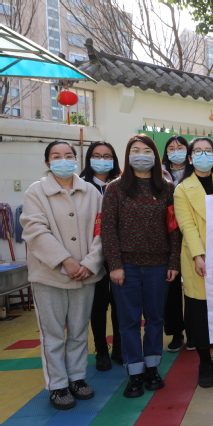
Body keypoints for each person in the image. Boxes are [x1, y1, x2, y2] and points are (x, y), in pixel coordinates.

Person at [21, 141, 105, 410]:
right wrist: (65, 261)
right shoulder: (36, 192)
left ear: (76, 160)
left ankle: (77, 378)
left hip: (85, 275)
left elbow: (102, 231)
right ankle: (57, 384)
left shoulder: (91, 192)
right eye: (56, 156)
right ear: (48, 163)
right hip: (49, 275)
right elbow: (35, 230)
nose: (63, 160)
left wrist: (90, 263)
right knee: (53, 334)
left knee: (79, 331)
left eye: (68, 155)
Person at [101, 134, 182, 398]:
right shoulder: (115, 188)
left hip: (159, 266)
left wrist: (173, 261)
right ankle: (134, 372)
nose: (141, 155)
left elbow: (174, 228)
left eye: (147, 151)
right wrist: (115, 264)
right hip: (126, 267)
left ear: (155, 156)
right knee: (129, 321)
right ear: (127, 155)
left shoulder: (167, 188)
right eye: (135, 150)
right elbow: (108, 230)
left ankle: (152, 368)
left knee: (156, 318)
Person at [173, 137, 213, 388]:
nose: (203, 155)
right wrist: (198, 256)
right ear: (190, 158)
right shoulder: (182, 189)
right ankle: (204, 361)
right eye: (197, 151)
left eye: (208, 151)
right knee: (199, 313)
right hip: (196, 259)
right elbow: (187, 225)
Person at [79, 141, 123, 371]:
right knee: (98, 305)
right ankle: (101, 350)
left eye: (107, 156)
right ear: (89, 159)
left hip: (120, 254)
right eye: (96, 155)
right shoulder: (81, 185)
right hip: (92, 254)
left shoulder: (122, 184)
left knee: (120, 304)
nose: (102, 160)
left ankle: (120, 347)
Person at [161, 135, 189, 353]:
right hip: (167, 236)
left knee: (195, 285)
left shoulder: (195, 170)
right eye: (171, 148)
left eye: (180, 147)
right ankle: (175, 332)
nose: (176, 151)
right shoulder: (159, 173)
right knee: (170, 287)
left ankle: (195, 329)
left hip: (191, 234)